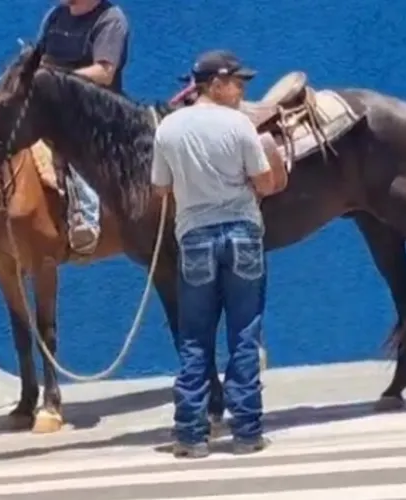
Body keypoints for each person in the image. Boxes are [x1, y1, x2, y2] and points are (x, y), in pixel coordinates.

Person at [150, 50, 288, 458]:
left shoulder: (168, 128)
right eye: (237, 82)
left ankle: (191, 435)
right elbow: (264, 183)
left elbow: (160, 188)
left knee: (195, 337)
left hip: (194, 237)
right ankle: (247, 432)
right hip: (242, 234)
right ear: (215, 84)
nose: (242, 90)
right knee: (244, 334)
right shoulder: (239, 124)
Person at [0, 0, 128, 264]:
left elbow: (104, 72)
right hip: (50, 106)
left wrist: (54, 79)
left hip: (92, 108)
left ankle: (85, 220)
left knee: (70, 139)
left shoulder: (110, 19)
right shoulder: (56, 16)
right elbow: (41, 59)